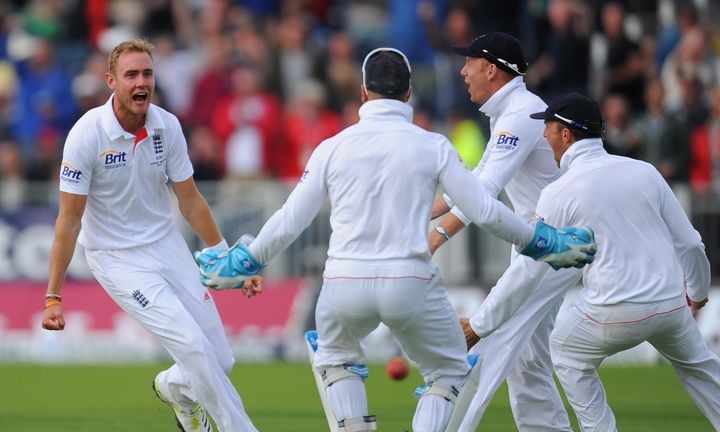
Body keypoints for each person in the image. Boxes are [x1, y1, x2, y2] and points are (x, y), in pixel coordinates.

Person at [195, 48, 596, 432]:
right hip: (411, 284)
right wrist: (545, 243)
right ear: (408, 94)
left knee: (334, 358)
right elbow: (485, 210)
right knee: (450, 369)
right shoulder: (433, 144)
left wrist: (242, 262)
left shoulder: (331, 147)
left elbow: (289, 220)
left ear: (363, 93)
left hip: (342, 285)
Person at [40, 39, 261, 432]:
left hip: (166, 244)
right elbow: (69, 221)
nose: (141, 82)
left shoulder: (167, 125)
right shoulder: (86, 134)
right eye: (131, 75)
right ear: (111, 81)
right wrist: (53, 297)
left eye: (147, 73)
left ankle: (172, 387)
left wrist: (229, 260)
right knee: (193, 348)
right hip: (117, 258)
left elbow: (190, 201)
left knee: (220, 360)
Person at [463, 93, 720, 431]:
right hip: (670, 306)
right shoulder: (644, 171)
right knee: (702, 369)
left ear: (566, 134)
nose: (544, 136)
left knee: (565, 351)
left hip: (612, 312)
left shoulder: (559, 192)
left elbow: (528, 269)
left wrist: (481, 324)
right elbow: (689, 242)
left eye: (549, 128)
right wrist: (697, 290)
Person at [428, 32, 572, 431]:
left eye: (468, 63)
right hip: (536, 243)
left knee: (498, 342)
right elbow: (474, 184)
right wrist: (417, 214)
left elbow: (484, 195)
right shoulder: (507, 113)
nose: (462, 71)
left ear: (490, 69)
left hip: (552, 244)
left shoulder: (523, 114)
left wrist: (435, 238)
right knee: (527, 360)